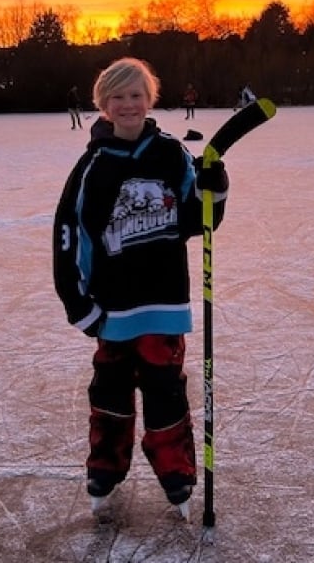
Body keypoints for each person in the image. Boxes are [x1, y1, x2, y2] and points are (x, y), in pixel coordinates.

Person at [52, 57, 229, 518]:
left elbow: (197, 220)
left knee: (165, 391)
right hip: (113, 309)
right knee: (109, 392)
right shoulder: (93, 166)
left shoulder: (171, 154)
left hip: (164, 304)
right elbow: (68, 237)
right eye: (118, 97)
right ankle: (105, 470)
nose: (128, 105)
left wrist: (216, 188)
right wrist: (79, 304)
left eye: (136, 95)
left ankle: (176, 476)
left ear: (149, 100)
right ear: (103, 105)